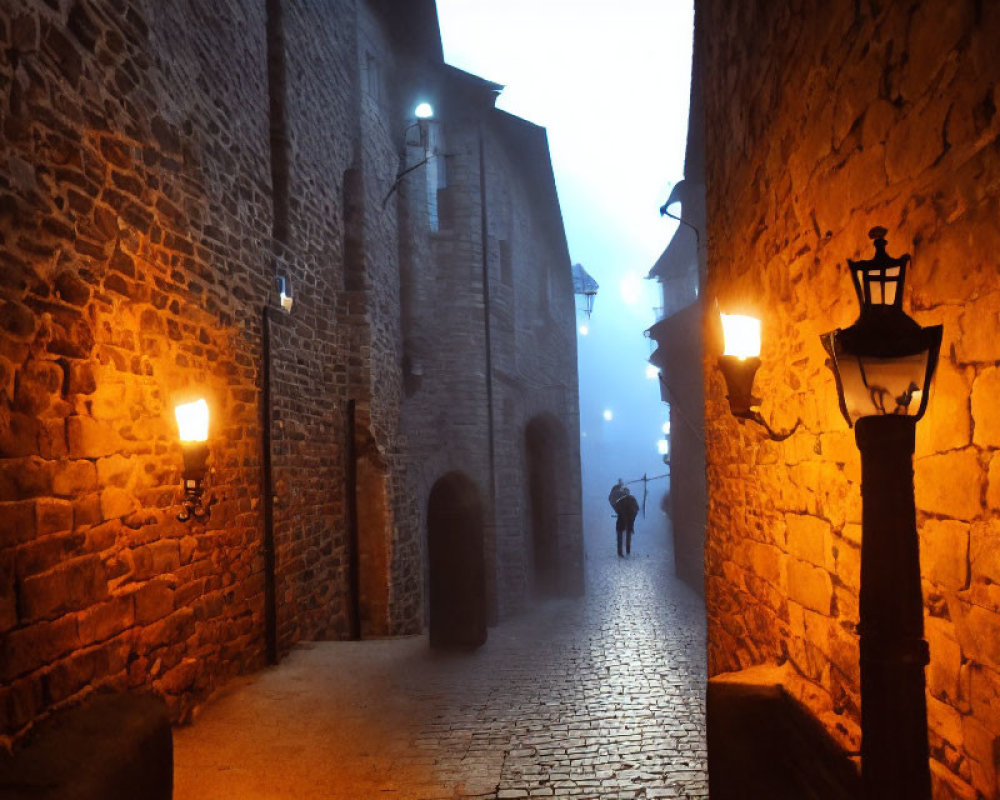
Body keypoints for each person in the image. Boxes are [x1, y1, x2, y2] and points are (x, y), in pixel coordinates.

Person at [611, 484, 640, 557]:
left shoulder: (620, 501)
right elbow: (636, 509)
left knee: (620, 536)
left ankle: (620, 552)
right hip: (629, 520)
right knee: (628, 535)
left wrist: (621, 513)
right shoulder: (633, 499)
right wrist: (632, 517)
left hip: (621, 521)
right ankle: (628, 550)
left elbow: (617, 509)